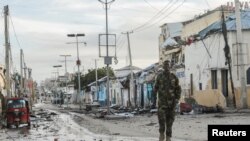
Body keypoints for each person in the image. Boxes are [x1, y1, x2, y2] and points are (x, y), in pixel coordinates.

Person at [154, 60, 181, 141]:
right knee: (161, 121)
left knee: (170, 122)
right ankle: (161, 135)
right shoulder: (159, 77)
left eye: (168, 65)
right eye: (165, 65)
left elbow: (178, 89)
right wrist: (154, 98)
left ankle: (168, 138)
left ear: (170, 67)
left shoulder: (174, 77)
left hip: (171, 104)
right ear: (163, 67)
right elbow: (155, 88)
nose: (167, 67)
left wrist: (176, 100)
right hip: (162, 104)